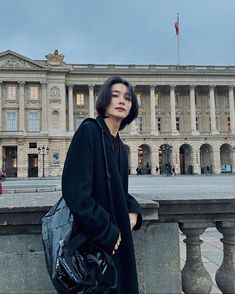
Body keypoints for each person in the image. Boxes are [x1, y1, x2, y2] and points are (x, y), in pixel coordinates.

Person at [62, 76, 142, 294]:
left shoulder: (119, 145)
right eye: (115, 95)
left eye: (127, 98)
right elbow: (76, 192)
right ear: (104, 101)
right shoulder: (89, 132)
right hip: (96, 244)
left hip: (115, 244)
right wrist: (106, 231)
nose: (122, 101)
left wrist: (134, 210)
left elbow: (119, 192)